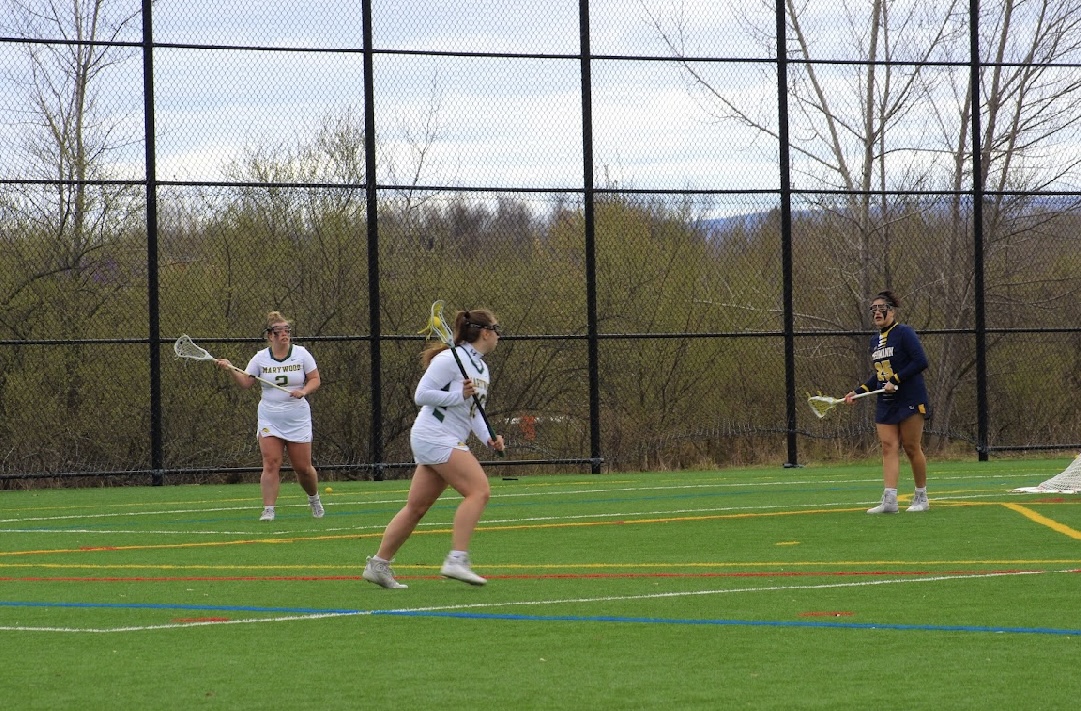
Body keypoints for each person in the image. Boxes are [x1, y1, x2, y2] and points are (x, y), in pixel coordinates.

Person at [363, 308, 506, 589]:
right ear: (485, 332)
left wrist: (488, 436)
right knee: (479, 491)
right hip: (434, 433)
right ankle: (457, 559)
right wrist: (458, 394)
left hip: (443, 437)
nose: (499, 335)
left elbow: (473, 413)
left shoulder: (480, 366)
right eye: (497, 329)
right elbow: (421, 395)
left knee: (416, 508)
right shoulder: (450, 359)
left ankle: (378, 565)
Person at [215, 311, 324, 522]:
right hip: (270, 417)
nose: (284, 334)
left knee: (303, 468)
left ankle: (314, 499)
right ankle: (268, 510)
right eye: (279, 331)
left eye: (287, 331)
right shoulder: (260, 358)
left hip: (296, 417)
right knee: (271, 462)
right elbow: (247, 383)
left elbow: (315, 379)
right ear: (270, 336)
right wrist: (230, 369)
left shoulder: (301, 354)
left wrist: (303, 391)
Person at [845, 290, 930, 514]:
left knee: (911, 447)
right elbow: (879, 375)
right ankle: (890, 500)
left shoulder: (904, 333)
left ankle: (921, 496)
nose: (876, 313)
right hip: (886, 399)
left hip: (909, 396)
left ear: (891, 310)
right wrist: (858, 391)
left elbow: (921, 361)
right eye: (872, 309)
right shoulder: (875, 341)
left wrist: (897, 379)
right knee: (888, 446)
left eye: (880, 308)